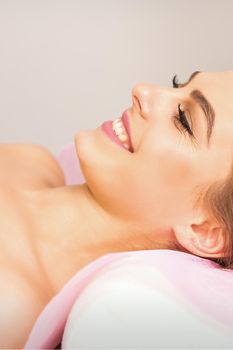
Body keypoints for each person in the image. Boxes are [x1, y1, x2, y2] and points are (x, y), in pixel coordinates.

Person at [0, 70, 232, 348]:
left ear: (206, 231)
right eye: (177, 85)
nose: (143, 90)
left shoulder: (11, 308)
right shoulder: (33, 162)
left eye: (183, 120)